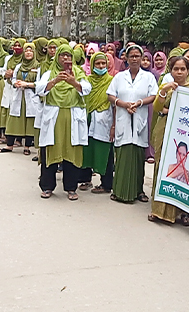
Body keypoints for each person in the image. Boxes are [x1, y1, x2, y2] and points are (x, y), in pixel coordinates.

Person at [150, 56, 189, 226]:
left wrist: (169, 110)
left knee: (184, 169)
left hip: (185, 134)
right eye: (175, 69)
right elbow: (157, 108)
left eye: (182, 69)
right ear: (170, 70)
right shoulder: (166, 88)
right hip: (165, 130)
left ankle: (183, 212)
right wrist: (164, 91)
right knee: (163, 167)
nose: (179, 72)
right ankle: (158, 210)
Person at [35, 43, 91, 200]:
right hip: (55, 117)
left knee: (71, 152)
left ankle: (71, 188)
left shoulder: (78, 72)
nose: (65, 58)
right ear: (57, 57)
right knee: (51, 151)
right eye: (62, 55)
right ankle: (47, 187)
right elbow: (39, 89)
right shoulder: (50, 72)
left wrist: (73, 82)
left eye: (68, 55)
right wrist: (55, 81)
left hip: (73, 116)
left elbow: (87, 89)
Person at [107, 45, 157, 203]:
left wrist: (139, 103)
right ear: (126, 58)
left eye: (137, 56)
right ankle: (119, 191)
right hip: (122, 117)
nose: (135, 59)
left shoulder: (148, 77)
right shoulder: (119, 77)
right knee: (122, 156)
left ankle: (138, 190)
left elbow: (154, 95)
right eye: (132, 56)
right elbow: (110, 95)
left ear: (142, 58)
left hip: (139, 118)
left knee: (138, 156)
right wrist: (123, 104)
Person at [81, 53, 115, 194]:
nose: (101, 67)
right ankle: (85, 179)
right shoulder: (87, 81)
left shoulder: (112, 81)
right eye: (98, 64)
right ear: (92, 64)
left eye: (103, 64)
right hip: (88, 118)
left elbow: (115, 104)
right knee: (86, 149)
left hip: (105, 120)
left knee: (105, 151)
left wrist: (113, 125)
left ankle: (106, 184)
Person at [0, 42, 39, 154]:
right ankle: (9, 145)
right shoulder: (19, 66)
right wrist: (15, 83)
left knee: (29, 122)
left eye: (31, 51)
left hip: (31, 97)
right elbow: (13, 78)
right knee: (14, 120)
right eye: (26, 51)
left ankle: (27, 147)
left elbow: (40, 83)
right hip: (19, 96)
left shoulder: (38, 66)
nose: (28, 53)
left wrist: (27, 84)